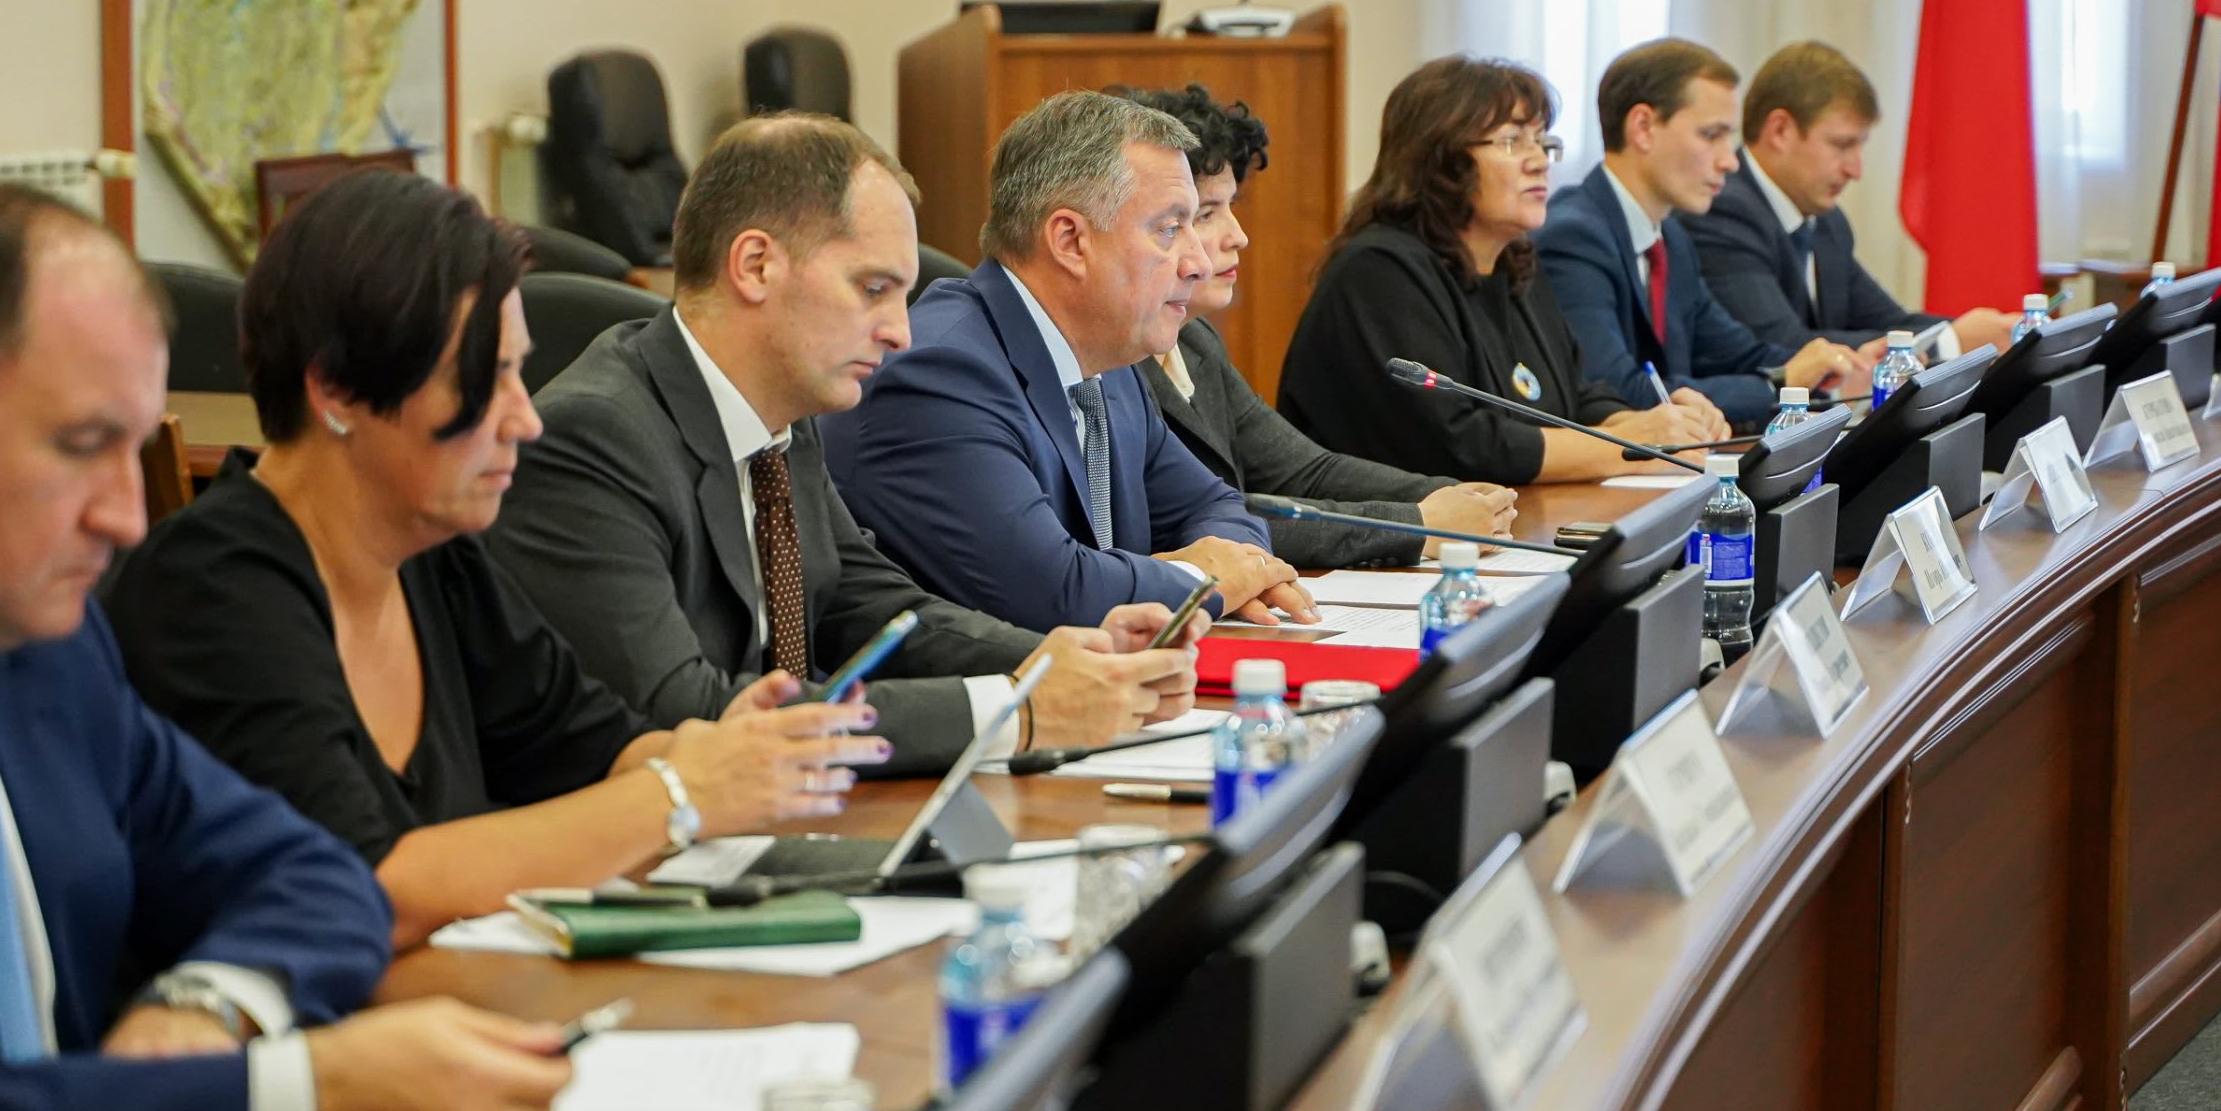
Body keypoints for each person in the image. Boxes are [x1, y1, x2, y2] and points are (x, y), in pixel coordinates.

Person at [0, 183, 573, 1111]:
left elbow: (315, 877)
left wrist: (210, 1006)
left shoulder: (42, 656)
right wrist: (282, 1098)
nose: (128, 516)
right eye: (80, 444)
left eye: (133, 447)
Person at [106, 172, 886, 950]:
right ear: (336, 390)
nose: (525, 420)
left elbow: (595, 748)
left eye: (517, 372)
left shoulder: (434, 556)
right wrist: (680, 791)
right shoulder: (210, 589)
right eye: (484, 379)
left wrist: (717, 753)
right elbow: (367, 886)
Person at [489, 113, 1206, 772]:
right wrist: (1013, 710)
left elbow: (865, 607)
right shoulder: (594, 439)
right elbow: (687, 713)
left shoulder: (783, 416)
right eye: (872, 289)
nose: (900, 332)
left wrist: (1060, 662)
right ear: (755, 265)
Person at [818, 91, 1315, 631]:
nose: (1197, 261)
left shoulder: (1110, 362)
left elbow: (1217, 506)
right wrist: (1202, 581)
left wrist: (1232, 568)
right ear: (1070, 240)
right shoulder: (940, 375)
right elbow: (1054, 593)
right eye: (1170, 229)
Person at [1117, 83, 1518, 567]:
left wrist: (1453, 495)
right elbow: (1208, 522)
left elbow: (1304, 470)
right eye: (1205, 215)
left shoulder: (1194, 341)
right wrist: (1418, 523)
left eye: (1231, 208)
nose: (1238, 236)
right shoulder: (1114, 359)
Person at [1276, 56, 1729, 482]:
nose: (1539, 161)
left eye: (1543, 142)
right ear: (1440, 159)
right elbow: (1459, 444)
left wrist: (1662, 425)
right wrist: (1631, 446)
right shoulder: (1379, 274)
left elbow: (1578, 395)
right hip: (1386, 535)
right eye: (1512, 142)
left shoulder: (1514, 265)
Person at [1535, 38, 1866, 432]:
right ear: (1643, 128)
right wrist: (1779, 384)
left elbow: (1736, 353)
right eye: (1711, 135)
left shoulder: (1671, 239)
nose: (1729, 161)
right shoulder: (1574, 237)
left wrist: (1831, 367)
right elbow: (1617, 391)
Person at [1681, 40, 2019, 360]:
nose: (1855, 170)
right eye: (1842, 145)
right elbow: (1782, 346)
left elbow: (1889, 322)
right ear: (1780, 131)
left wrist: (1993, 332)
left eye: (1859, 147)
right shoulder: (1721, 209)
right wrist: (1949, 343)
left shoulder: (1827, 222)